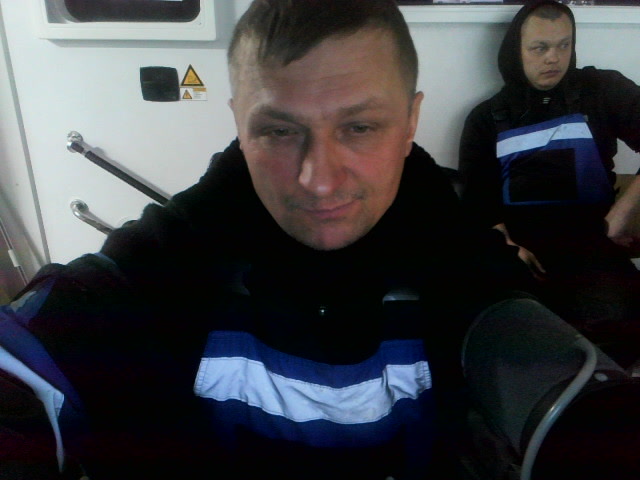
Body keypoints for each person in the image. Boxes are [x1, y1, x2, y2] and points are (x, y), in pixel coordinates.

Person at [0, 1, 546, 479]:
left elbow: (541, 365)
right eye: (280, 131)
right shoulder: (179, 248)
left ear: (410, 122)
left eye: (360, 127)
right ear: (240, 125)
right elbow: (42, 351)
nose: (319, 180)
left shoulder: (459, 253)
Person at [459, 0, 640, 369]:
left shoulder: (601, 90)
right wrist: (507, 246)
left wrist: (623, 211)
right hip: (523, 255)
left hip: (592, 245)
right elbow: (479, 203)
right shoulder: (486, 118)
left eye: (563, 45)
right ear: (515, 50)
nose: (553, 58)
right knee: (508, 337)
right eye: (539, 48)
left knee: (618, 327)